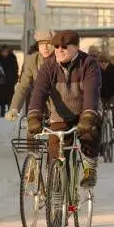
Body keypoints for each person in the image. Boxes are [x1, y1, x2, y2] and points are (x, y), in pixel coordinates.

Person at [26, 30, 102, 187]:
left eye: (64, 47)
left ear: (76, 47)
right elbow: (39, 91)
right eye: (56, 46)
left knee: (90, 135)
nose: (59, 50)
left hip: (83, 113)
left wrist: (88, 115)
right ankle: (59, 191)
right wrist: (34, 116)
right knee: (55, 153)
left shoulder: (88, 64)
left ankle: (89, 171)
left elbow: (91, 91)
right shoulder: (48, 65)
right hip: (60, 115)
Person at [5, 30, 55, 121]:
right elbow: (23, 86)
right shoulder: (32, 60)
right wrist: (14, 108)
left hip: (61, 107)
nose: (45, 48)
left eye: (49, 44)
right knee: (32, 129)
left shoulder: (61, 59)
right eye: (41, 44)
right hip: (39, 105)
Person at [97, 51, 114, 141]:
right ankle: (100, 137)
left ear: (109, 62)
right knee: (98, 115)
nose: (104, 64)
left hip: (112, 94)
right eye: (101, 62)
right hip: (100, 95)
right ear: (98, 62)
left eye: (106, 62)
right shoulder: (95, 70)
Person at [0, 45, 19, 117]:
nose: (5, 53)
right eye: (3, 51)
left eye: (6, 51)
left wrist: (15, 79)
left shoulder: (12, 58)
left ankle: (10, 113)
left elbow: (16, 69)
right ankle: (2, 113)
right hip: (0, 82)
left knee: (10, 98)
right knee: (1, 99)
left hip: (10, 81)